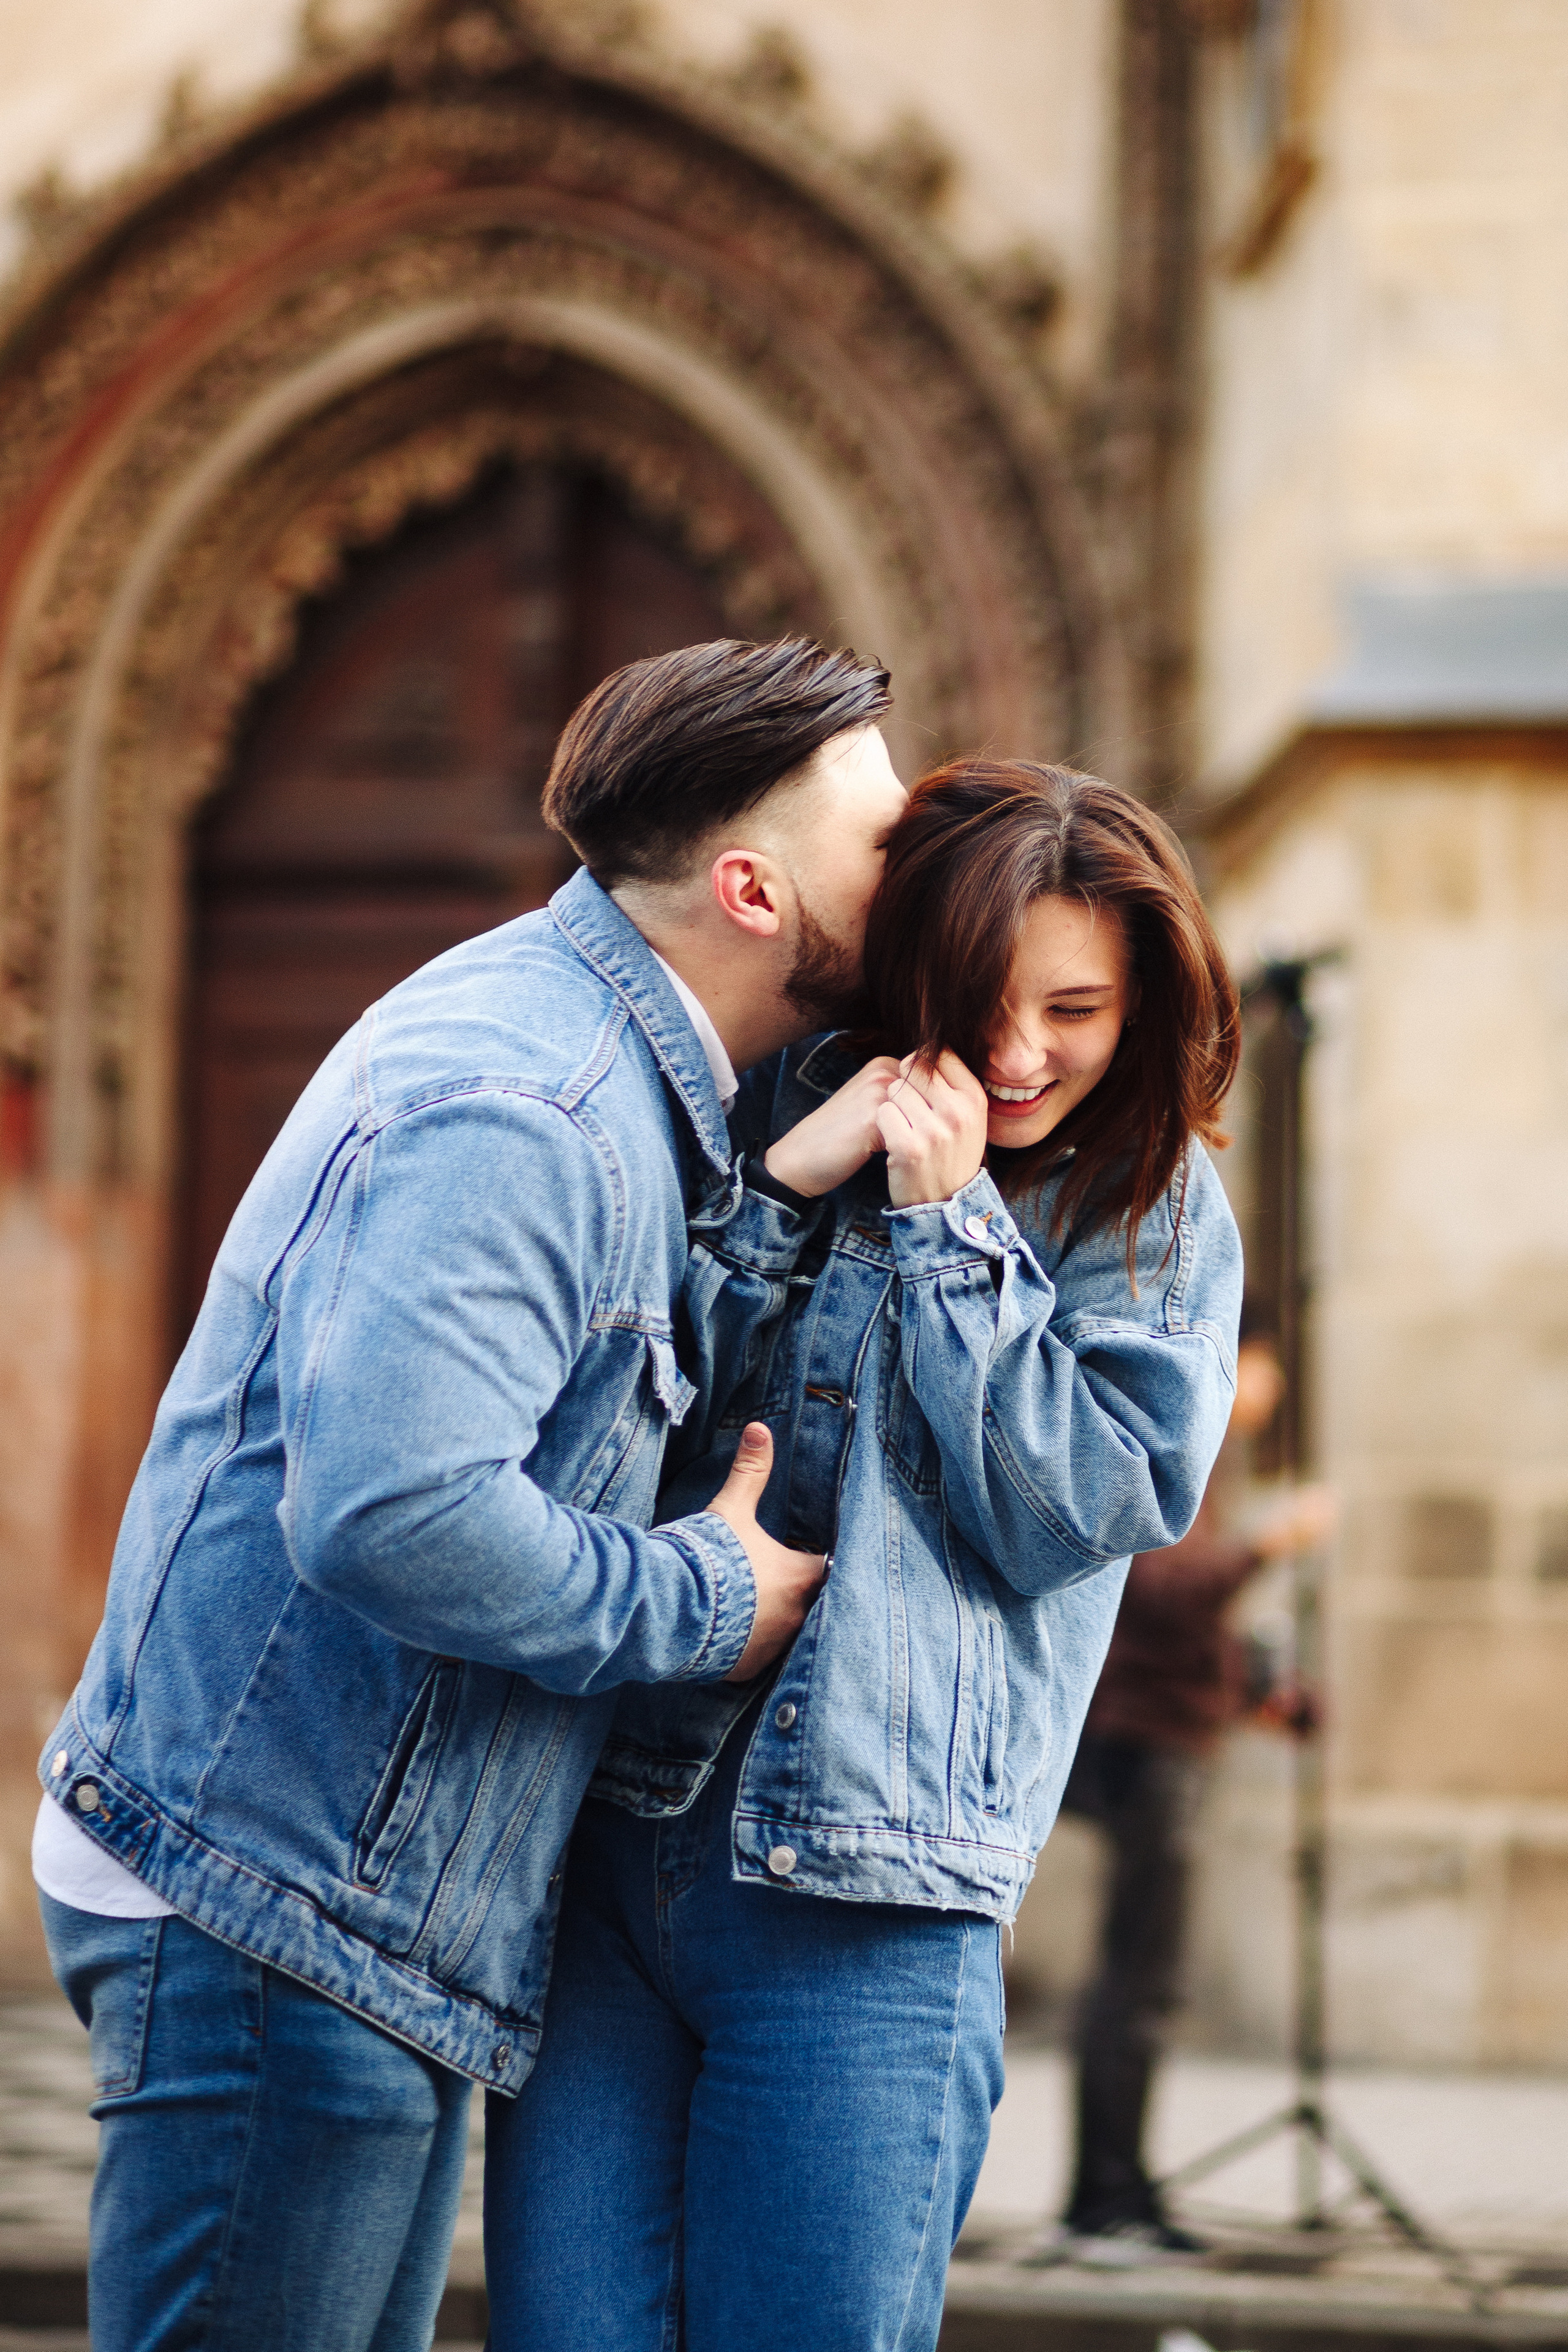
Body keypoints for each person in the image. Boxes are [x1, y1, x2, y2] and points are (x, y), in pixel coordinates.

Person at [30, 636, 909, 2352]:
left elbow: (567, 1393)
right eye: (881, 836)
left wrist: (764, 1214)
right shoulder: (530, 1103)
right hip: (273, 1903)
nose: (920, 861)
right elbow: (390, 1511)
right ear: (752, 888)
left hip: (332, 1907)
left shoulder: (602, 1068)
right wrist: (706, 1602)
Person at [484, 758, 1246, 2352]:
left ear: (1148, 1002)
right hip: (609, 1853)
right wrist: (783, 1187)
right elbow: (603, 1415)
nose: (1025, 1056)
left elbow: (1077, 1503)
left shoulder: (1156, 1211)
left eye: (1081, 1010)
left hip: (872, 1911)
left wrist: (950, 1221)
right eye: (984, 1004)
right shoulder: (784, 1095)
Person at [1052, 1314, 1337, 2264]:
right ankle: (1103, 2200)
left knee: (1146, 1978)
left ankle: (1120, 2189)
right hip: (1144, 1747)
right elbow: (1163, 1589)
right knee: (1138, 1979)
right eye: (1267, 1371)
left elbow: (1185, 1626)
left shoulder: (1212, 1457)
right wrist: (1268, 1544)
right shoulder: (1186, 1442)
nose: (1269, 1394)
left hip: (1170, 1734)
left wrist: (1261, 1694)